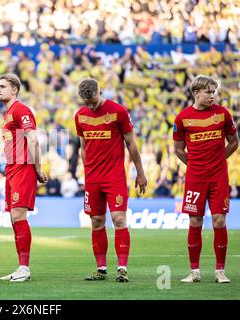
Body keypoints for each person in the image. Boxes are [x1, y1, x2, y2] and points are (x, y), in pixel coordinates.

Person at [74, 78, 147, 282]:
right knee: (96, 222)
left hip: (114, 176)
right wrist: (87, 172)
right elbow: (83, 146)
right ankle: (101, 269)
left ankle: (122, 268)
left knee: (119, 219)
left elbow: (131, 143)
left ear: (100, 91)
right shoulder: (80, 115)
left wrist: (140, 173)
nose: (90, 105)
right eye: (86, 102)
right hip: (93, 178)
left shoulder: (118, 111)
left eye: (93, 100)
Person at [173, 75, 238, 283]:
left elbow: (234, 142)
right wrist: (195, 165)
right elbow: (178, 150)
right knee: (195, 221)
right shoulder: (182, 118)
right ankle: (194, 272)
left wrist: (219, 160)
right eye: (208, 92)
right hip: (195, 178)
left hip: (218, 177)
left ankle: (220, 271)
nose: (212, 96)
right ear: (196, 93)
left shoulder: (222, 114)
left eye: (213, 92)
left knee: (219, 221)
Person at [0, 73, 48, 282]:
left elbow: (33, 140)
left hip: (23, 167)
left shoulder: (21, 110)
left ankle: (24, 268)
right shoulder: (8, 114)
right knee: (13, 218)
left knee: (19, 216)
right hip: (12, 168)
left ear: (14, 90)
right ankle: (20, 267)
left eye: (2, 86)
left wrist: (37, 168)